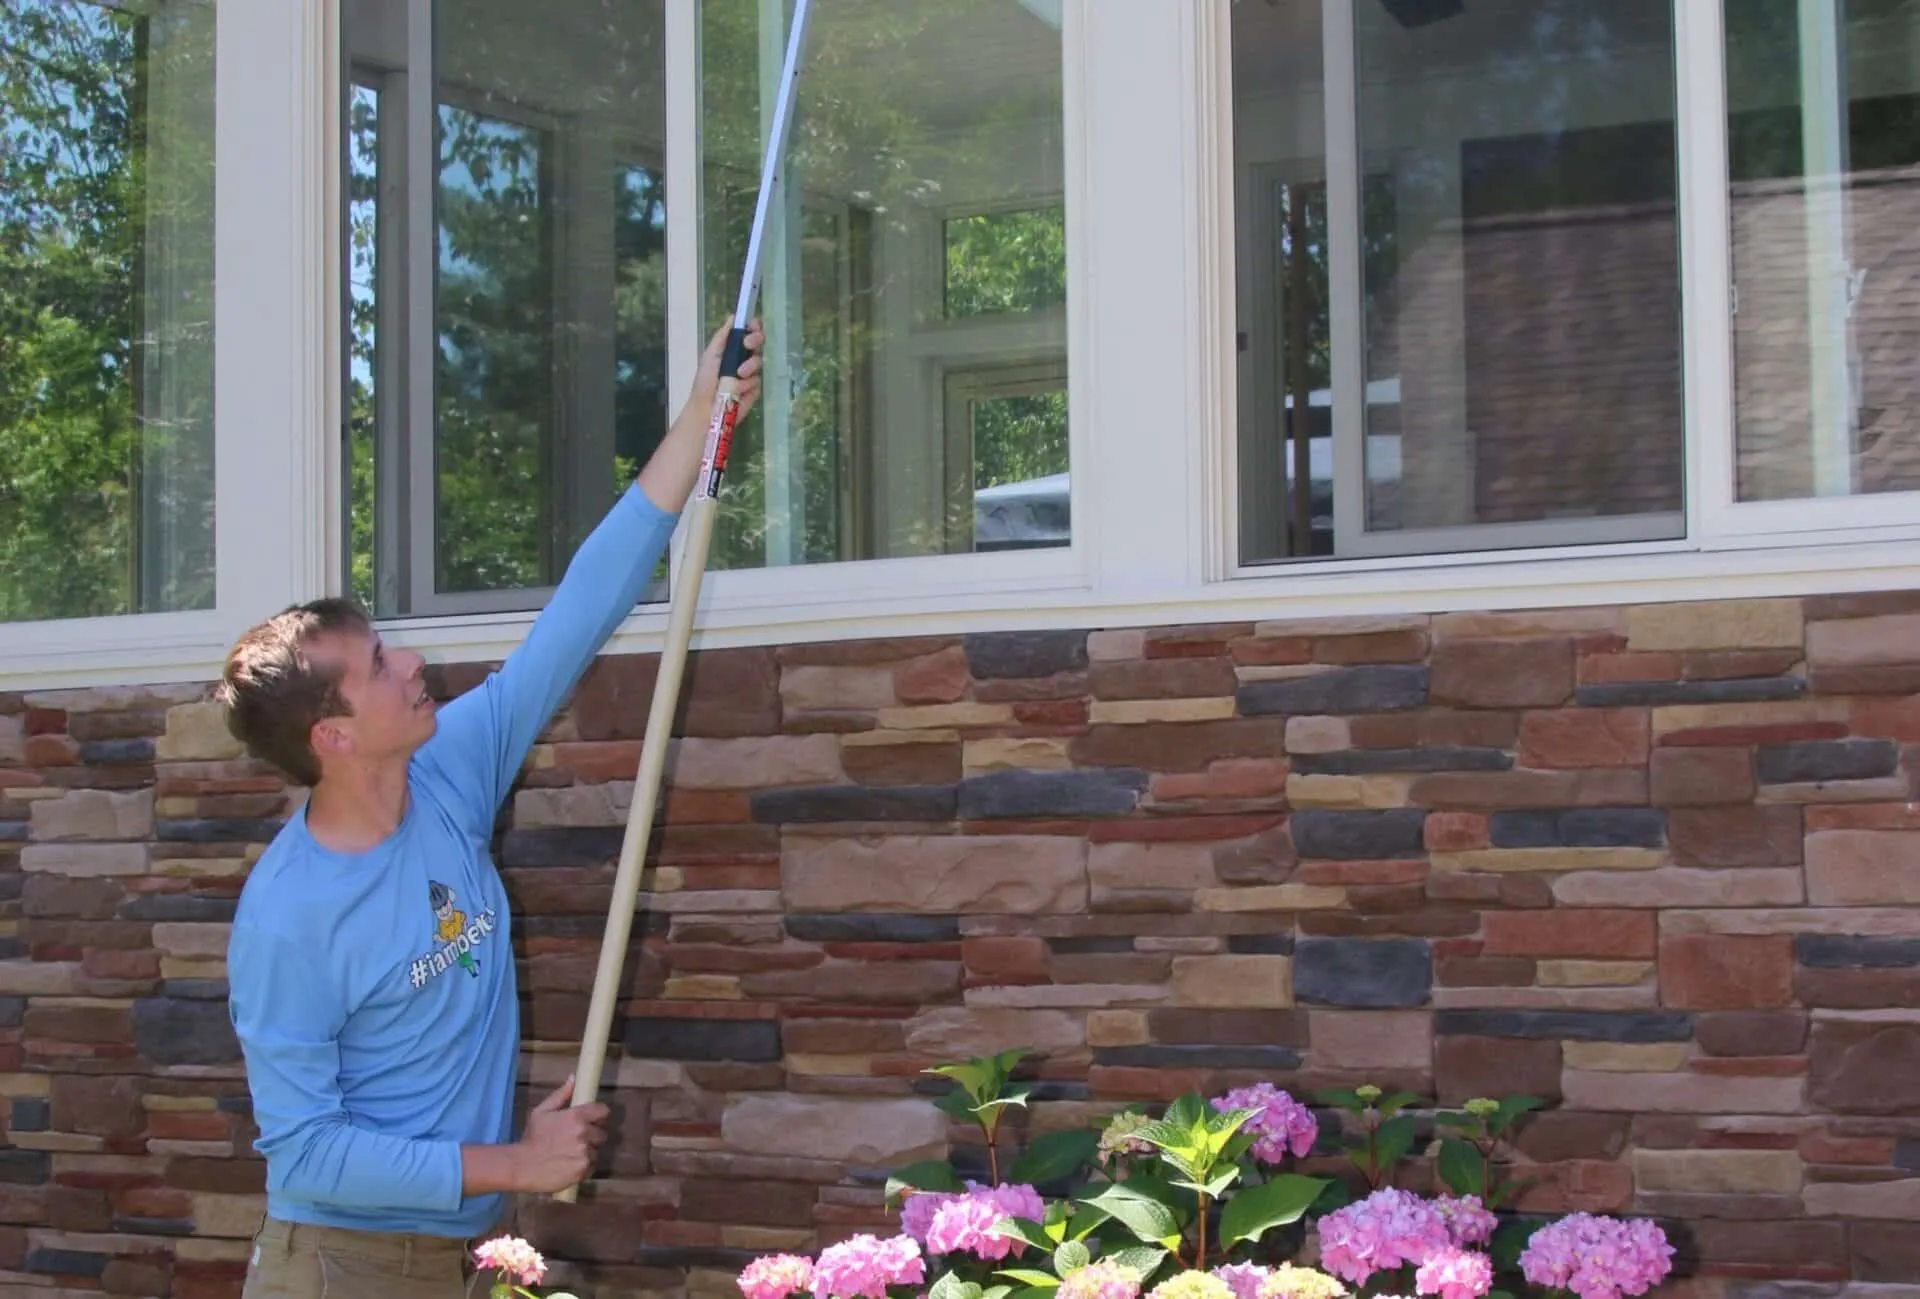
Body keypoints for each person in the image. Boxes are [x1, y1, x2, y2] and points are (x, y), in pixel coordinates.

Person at [219, 322, 763, 1298]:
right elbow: (305, 1155)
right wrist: (517, 1162)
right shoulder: (288, 916)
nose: (413, 664)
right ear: (331, 738)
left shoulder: (448, 774)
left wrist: (698, 420)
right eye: (380, 667)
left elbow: (578, 613)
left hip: (458, 1252)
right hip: (341, 1267)